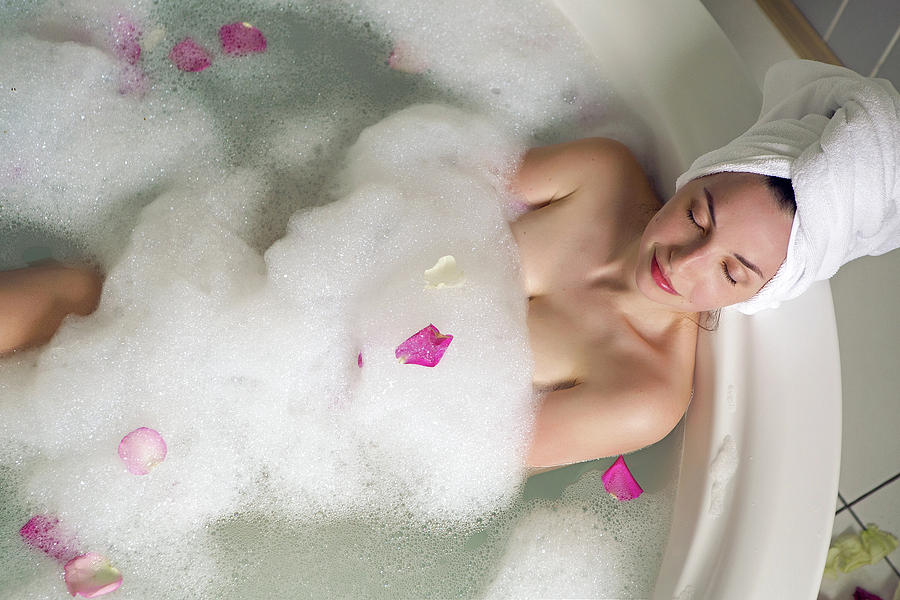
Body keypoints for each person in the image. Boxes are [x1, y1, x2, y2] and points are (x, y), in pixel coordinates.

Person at [2, 59, 898, 472]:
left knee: (80, 307)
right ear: (697, 179)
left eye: (734, 272)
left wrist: (295, 357)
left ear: (761, 293)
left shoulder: (645, 392)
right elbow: (425, 170)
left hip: (302, 416)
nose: (688, 260)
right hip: (293, 275)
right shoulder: (604, 177)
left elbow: (463, 457)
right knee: (83, 295)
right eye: (701, 213)